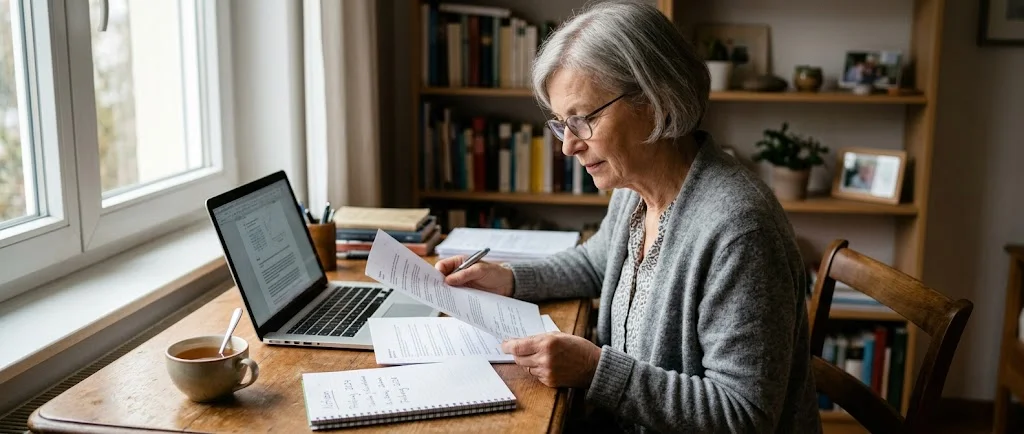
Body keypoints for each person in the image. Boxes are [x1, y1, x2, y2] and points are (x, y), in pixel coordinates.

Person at [434, 2, 822, 432]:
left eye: (583, 120)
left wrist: (596, 370)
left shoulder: (739, 230)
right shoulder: (635, 187)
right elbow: (595, 263)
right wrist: (507, 278)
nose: (568, 147)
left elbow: (743, 417)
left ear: (655, 100)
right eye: (562, 124)